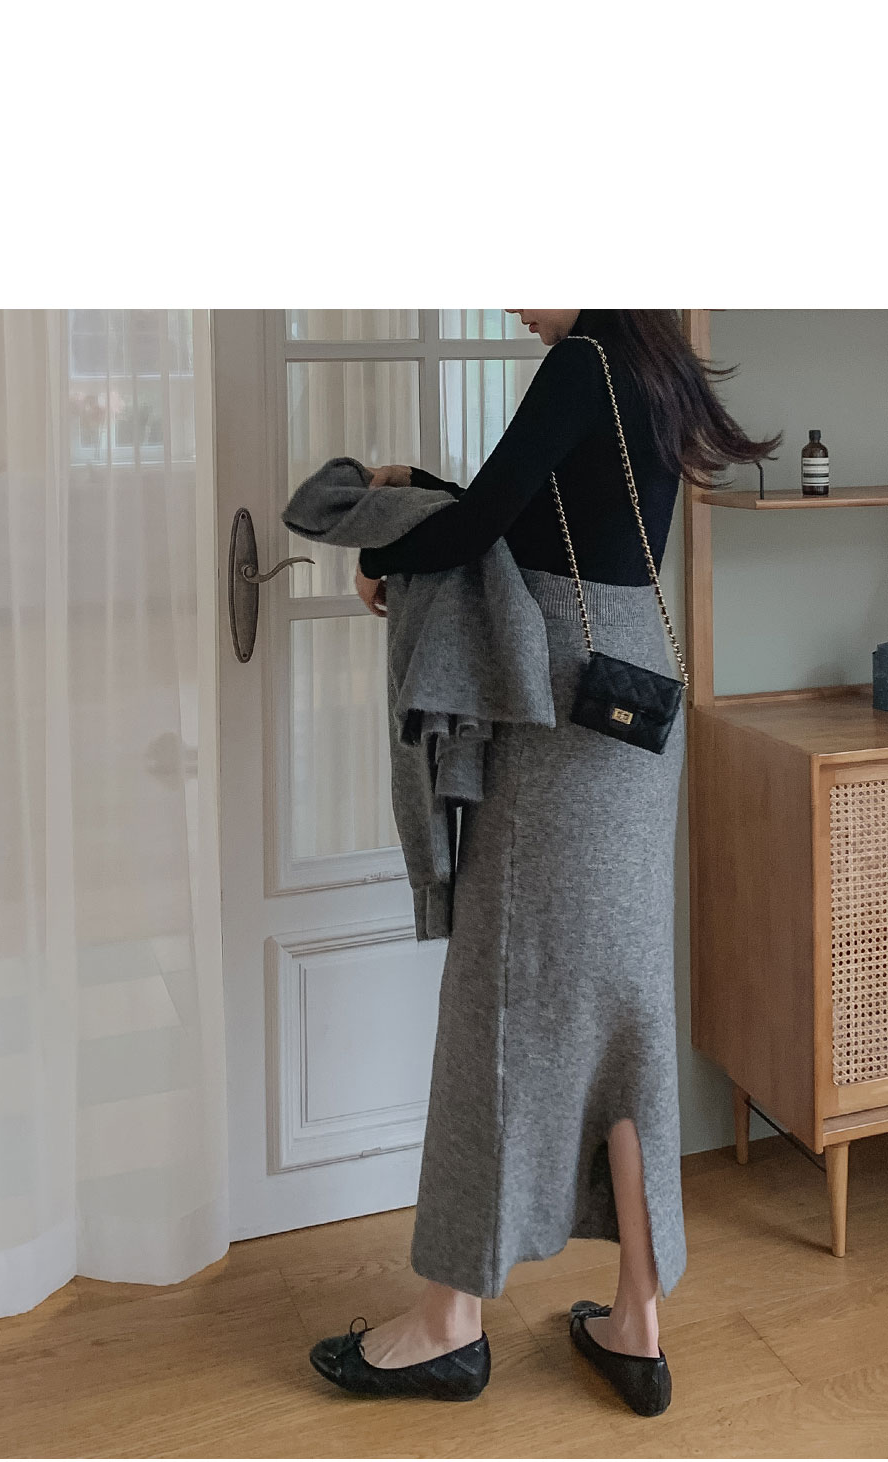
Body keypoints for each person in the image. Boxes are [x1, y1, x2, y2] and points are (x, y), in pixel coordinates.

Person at [308, 309, 782, 1411]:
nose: (512, 296)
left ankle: (447, 1324)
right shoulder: (655, 363)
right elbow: (554, 516)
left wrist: (380, 553)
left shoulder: (580, 362)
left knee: (501, 995)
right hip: (636, 701)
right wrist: (422, 489)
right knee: (625, 1013)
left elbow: (486, 521)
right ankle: (636, 1325)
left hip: (563, 707)